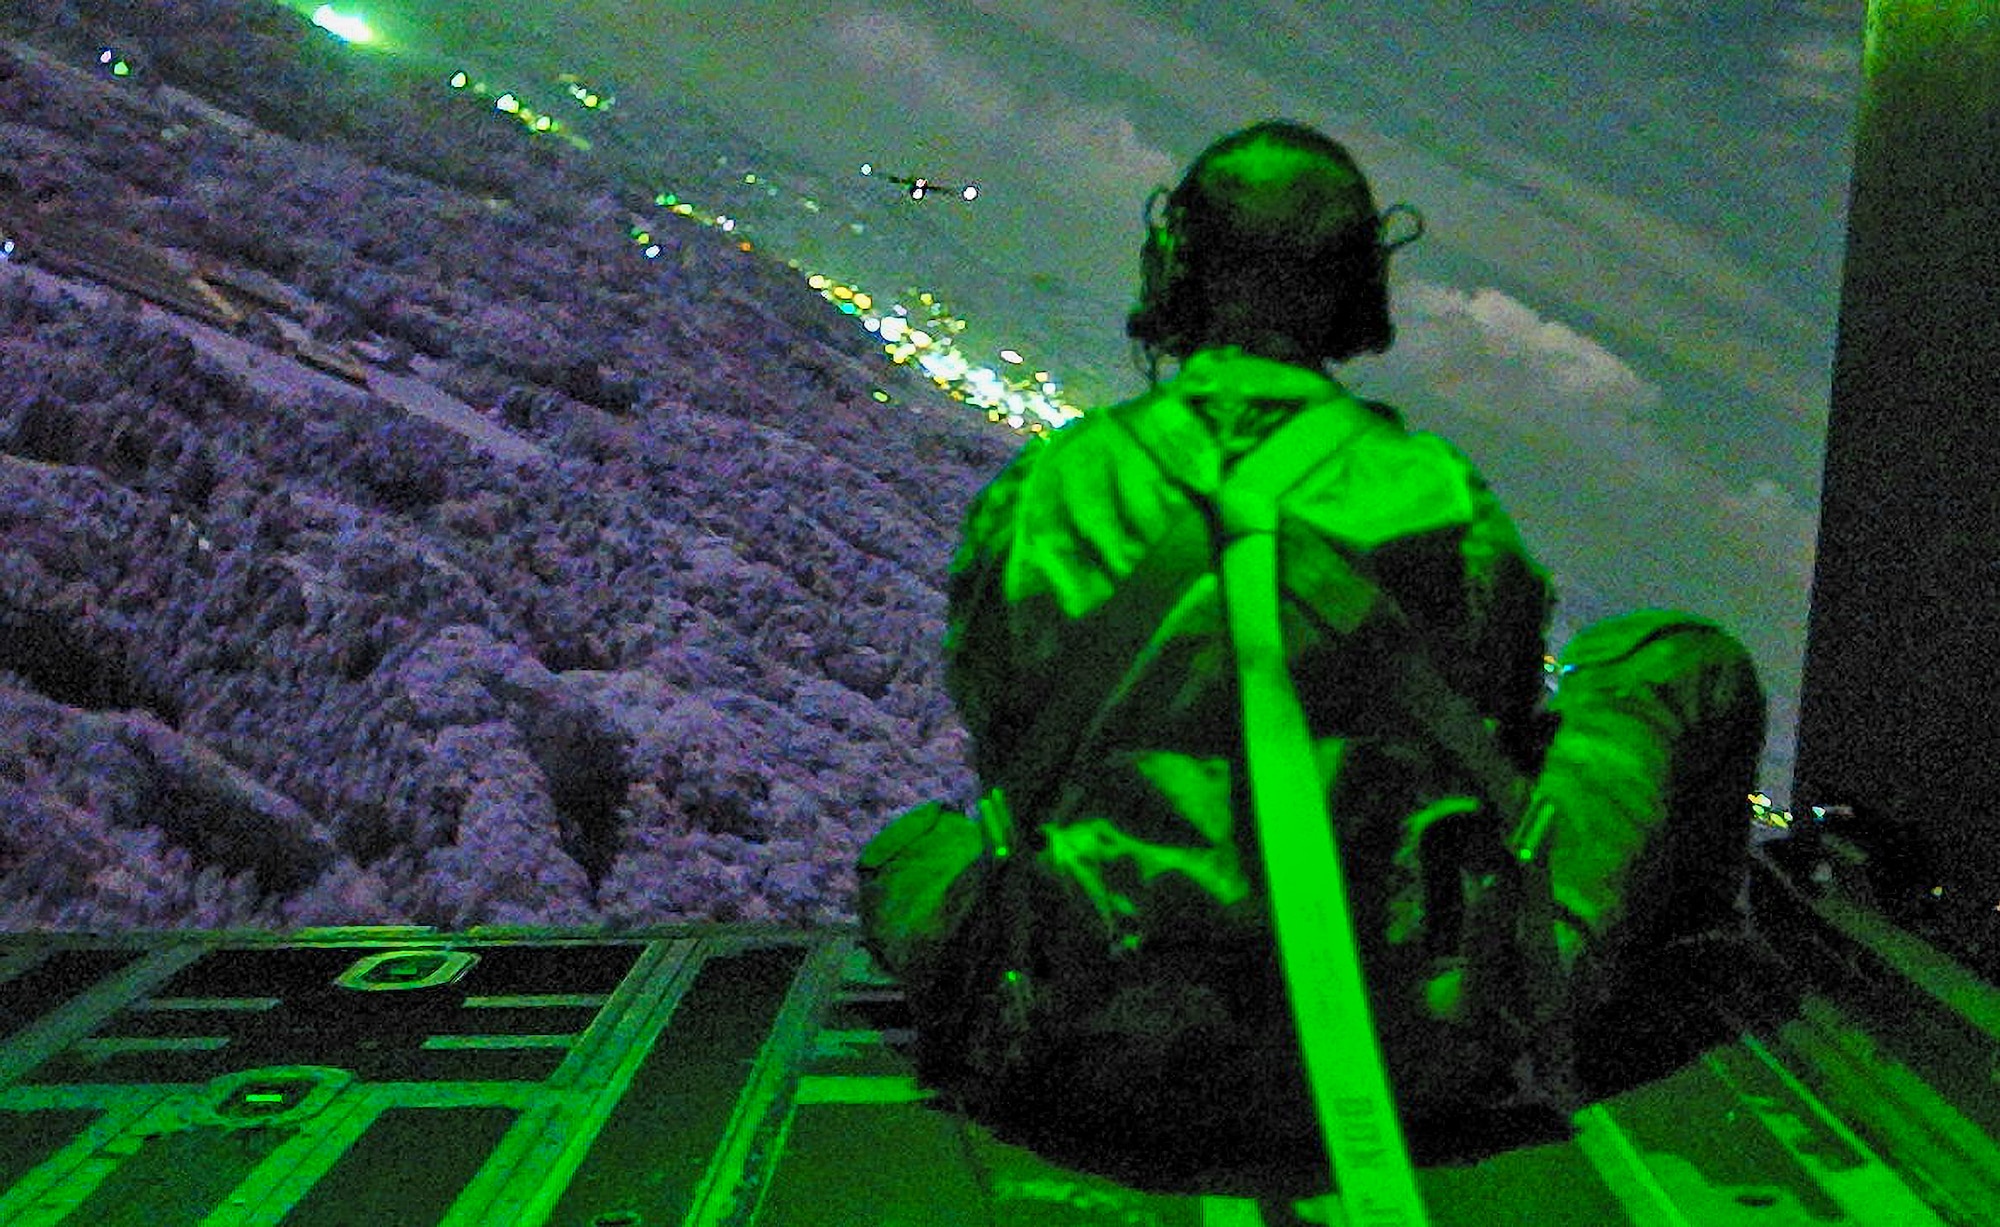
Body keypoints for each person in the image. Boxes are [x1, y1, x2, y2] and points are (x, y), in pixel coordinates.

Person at [858, 120, 1766, 1183]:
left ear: (1174, 264)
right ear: (1360, 288)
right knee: (1673, 658)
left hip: (1076, 1052)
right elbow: (1503, 757)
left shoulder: (1047, 492)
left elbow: (999, 742)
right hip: (1405, 1063)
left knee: (908, 850)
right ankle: (1698, 975)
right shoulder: (1441, 502)